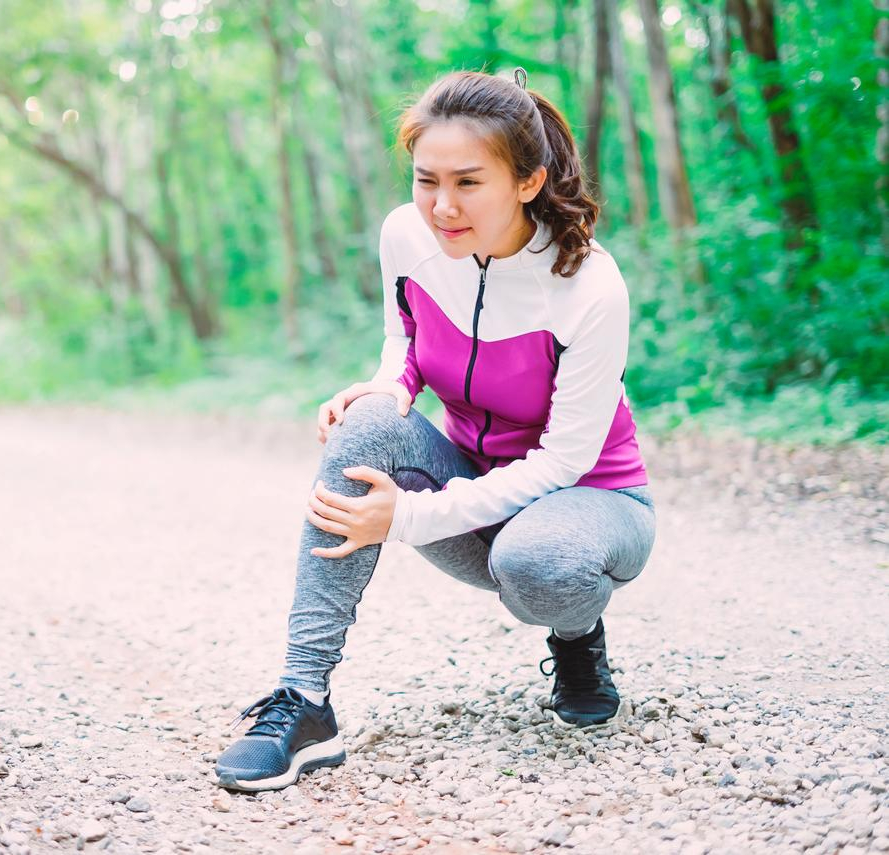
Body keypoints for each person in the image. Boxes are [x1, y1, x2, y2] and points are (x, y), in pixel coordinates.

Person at [214, 68, 656, 793]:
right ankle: (305, 701)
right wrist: (389, 388)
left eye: (468, 183)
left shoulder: (589, 285)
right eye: (426, 180)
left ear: (527, 181)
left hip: (590, 501)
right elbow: (405, 340)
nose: (441, 206)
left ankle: (577, 636)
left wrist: (410, 515)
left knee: (538, 562)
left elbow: (565, 459)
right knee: (366, 424)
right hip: (474, 486)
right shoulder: (405, 233)